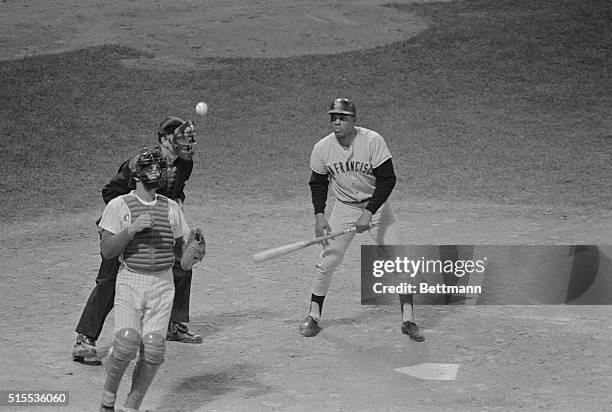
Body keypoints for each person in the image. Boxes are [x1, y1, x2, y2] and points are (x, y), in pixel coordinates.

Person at [73, 117, 202, 365]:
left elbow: (176, 188)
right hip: (125, 223)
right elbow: (109, 192)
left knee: (182, 263)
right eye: (181, 138)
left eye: (190, 138)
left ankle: (173, 325)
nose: (188, 144)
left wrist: (178, 201)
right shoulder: (140, 164)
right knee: (109, 280)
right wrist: (128, 220)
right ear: (165, 140)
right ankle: (84, 340)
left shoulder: (185, 163)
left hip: (159, 223)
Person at [300, 98, 425, 342]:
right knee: (328, 260)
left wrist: (369, 211)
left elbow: (388, 179)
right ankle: (313, 315)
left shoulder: (372, 141)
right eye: (333, 117)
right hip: (344, 208)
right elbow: (318, 183)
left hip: (376, 207)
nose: (337, 121)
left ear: (354, 120)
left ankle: (408, 319)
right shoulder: (322, 148)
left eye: (342, 117)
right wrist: (319, 215)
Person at [97, 147, 193, 411]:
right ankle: (108, 399)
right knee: (127, 342)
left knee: (153, 350)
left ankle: (132, 405)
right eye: (150, 168)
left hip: (163, 285)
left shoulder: (171, 208)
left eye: (159, 168)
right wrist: (131, 230)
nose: (156, 172)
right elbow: (107, 250)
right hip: (131, 281)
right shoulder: (119, 206)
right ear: (136, 175)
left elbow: (181, 254)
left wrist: (192, 253)